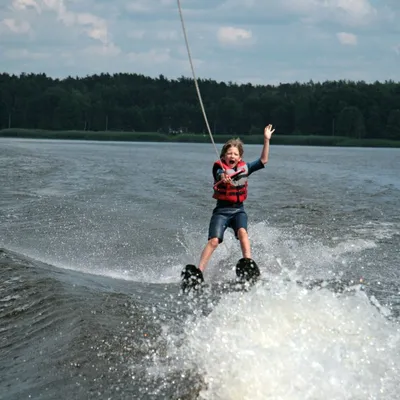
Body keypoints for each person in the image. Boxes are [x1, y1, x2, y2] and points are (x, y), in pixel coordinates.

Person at [182, 124, 275, 287]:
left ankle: (248, 263)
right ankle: (199, 271)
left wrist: (266, 140)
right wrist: (224, 176)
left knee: (243, 233)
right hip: (222, 211)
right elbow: (220, 174)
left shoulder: (245, 168)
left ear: (240, 158)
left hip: (239, 210)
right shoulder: (219, 169)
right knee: (214, 241)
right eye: (229, 153)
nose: (232, 156)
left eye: (235, 154)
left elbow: (263, 160)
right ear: (224, 156)